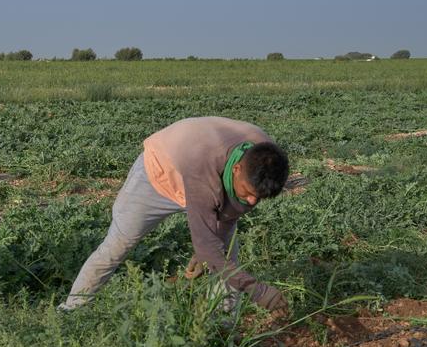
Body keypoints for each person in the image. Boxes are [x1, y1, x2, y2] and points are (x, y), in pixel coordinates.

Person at [58, 116, 289, 314]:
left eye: (258, 198)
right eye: (248, 193)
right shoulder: (203, 165)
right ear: (236, 169)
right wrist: (256, 289)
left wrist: (211, 249)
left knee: (226, 255)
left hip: (203, 175)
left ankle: (222, 327)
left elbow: (229, 213)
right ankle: (72, 310)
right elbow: (207, 241)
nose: (252, 201)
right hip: (158, 175)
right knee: (118, 244)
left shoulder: (265, 158)